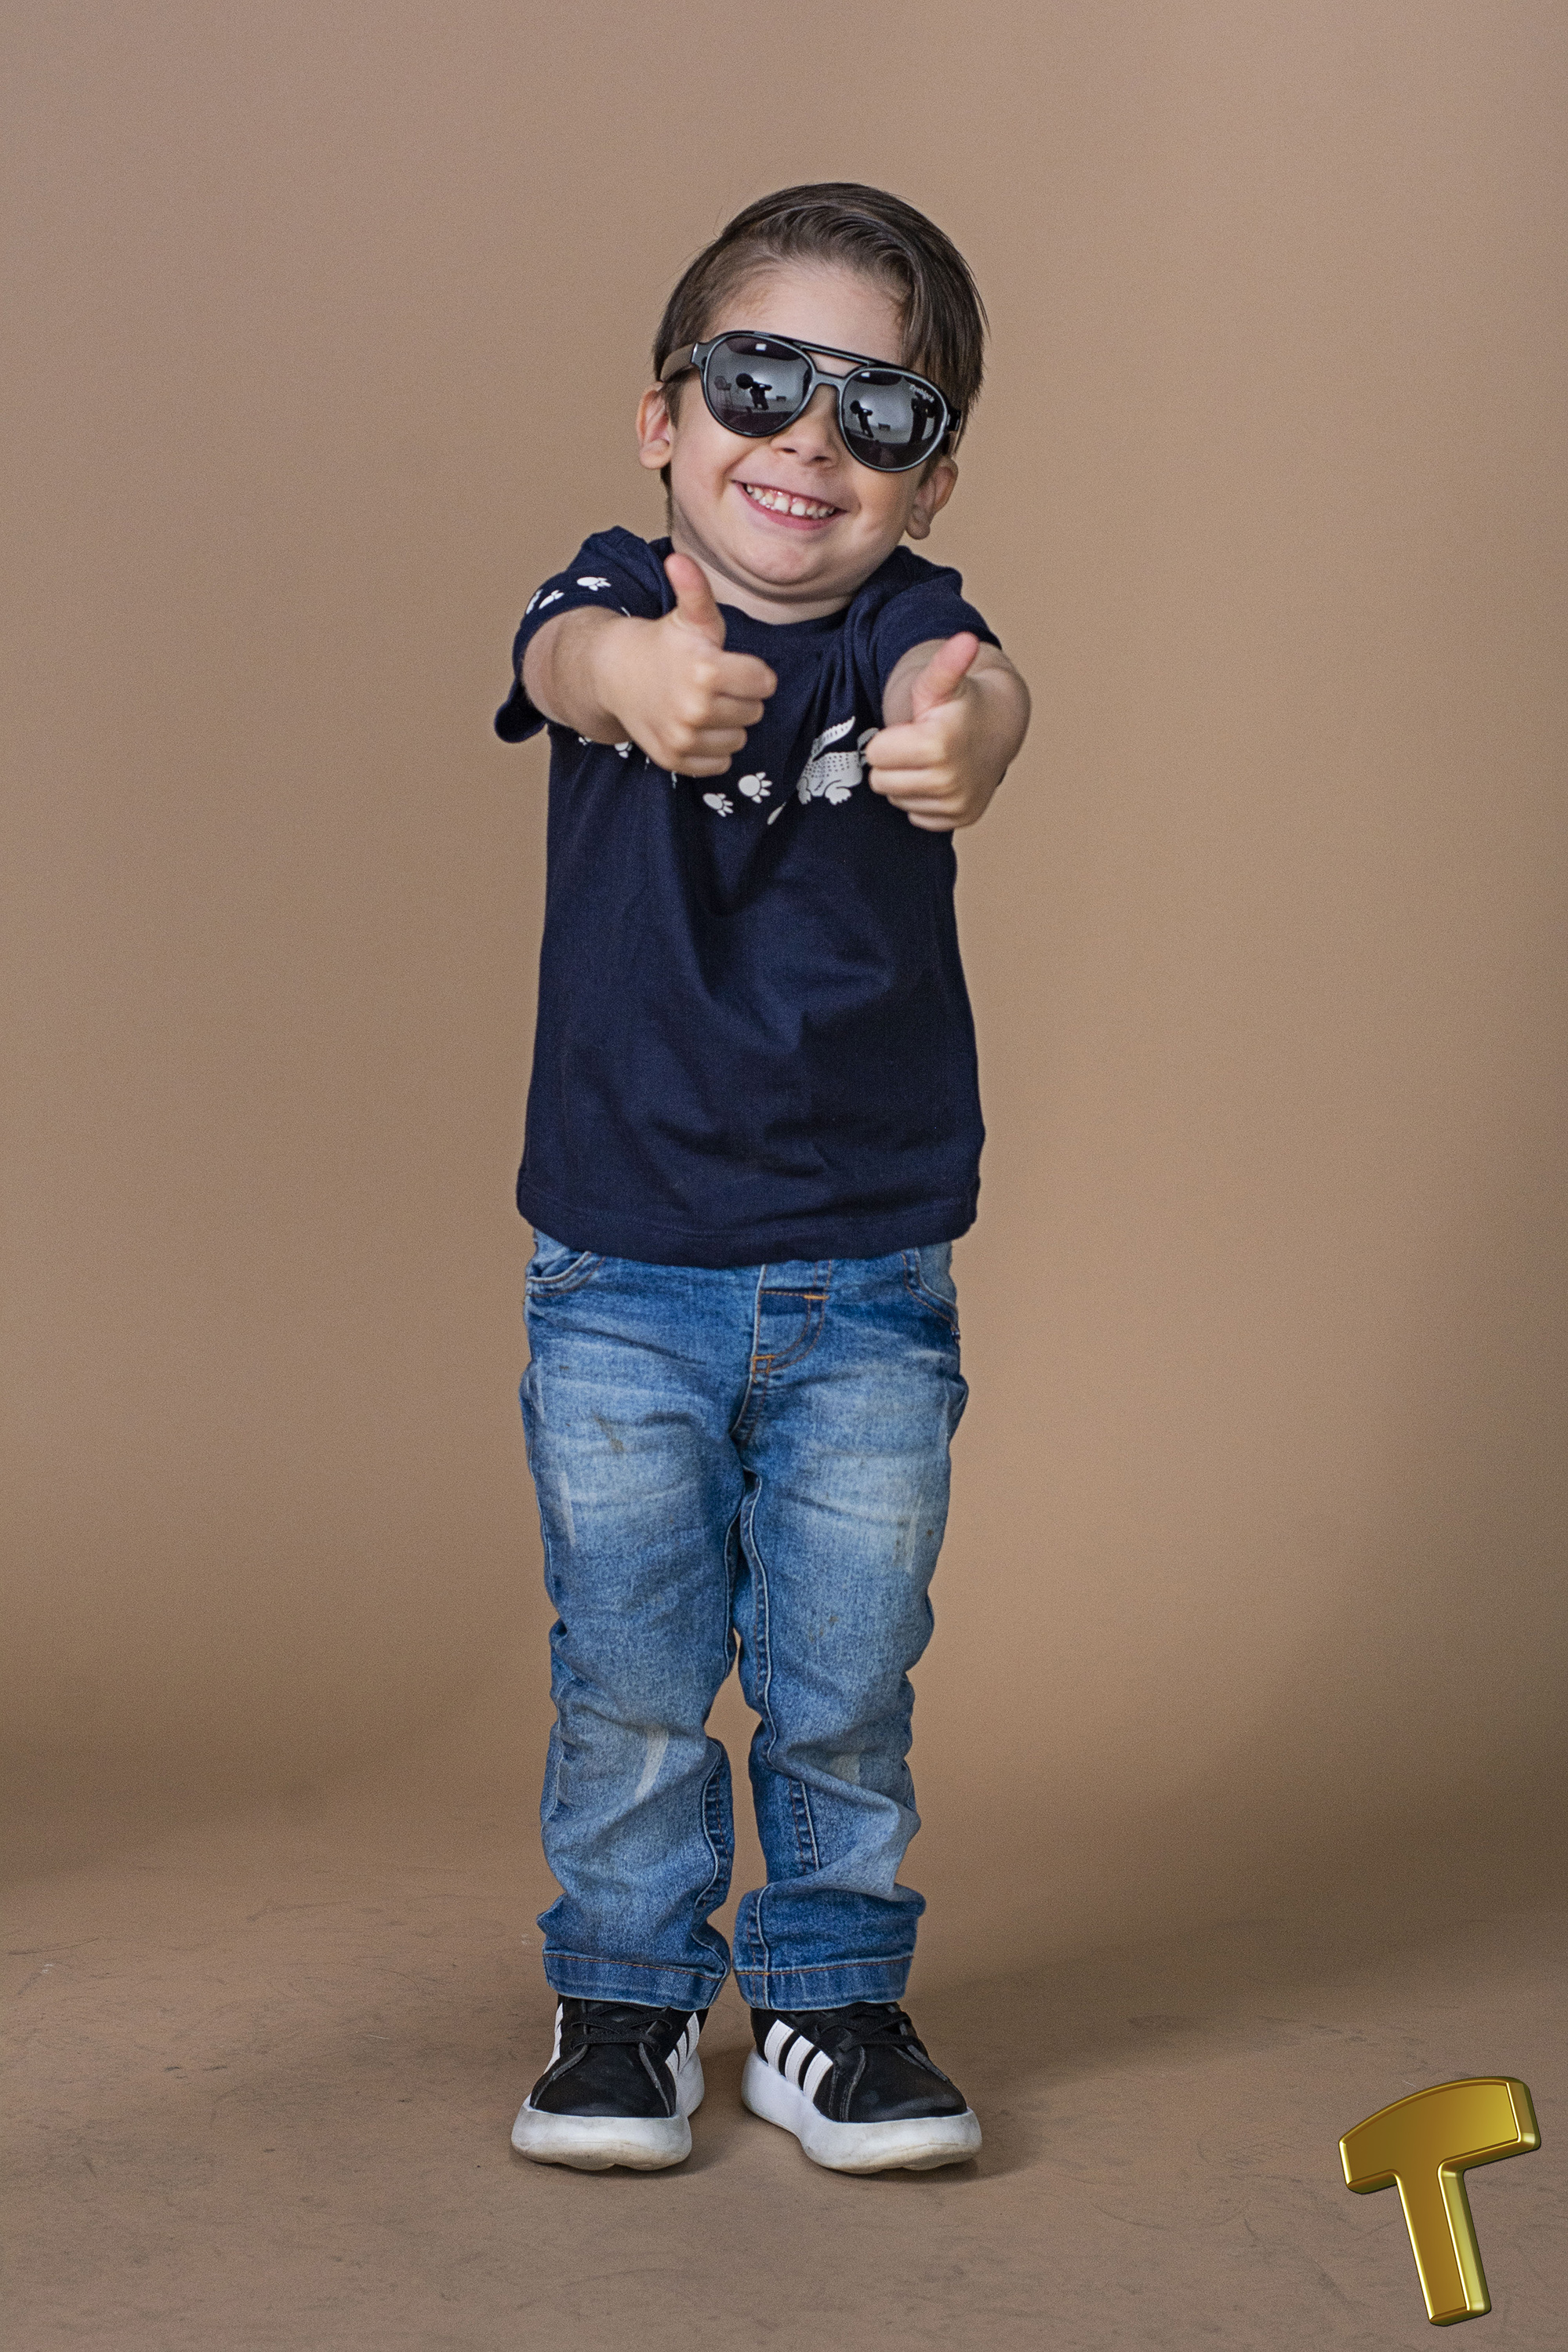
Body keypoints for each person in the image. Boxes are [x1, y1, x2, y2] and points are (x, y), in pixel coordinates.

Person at [493, 183, 1031, 2175]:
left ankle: (829, 2006)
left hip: (868, 1275)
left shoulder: (906, 627)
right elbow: (560, 660)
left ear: (928, 474)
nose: (809, 438)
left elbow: (980, 683)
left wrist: (972, 734)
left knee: (843, 1673)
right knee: (632, 1674)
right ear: (663, 417)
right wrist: (636, 683)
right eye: (757, 381)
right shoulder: (615, 595)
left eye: (876, 410)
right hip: (622, 1270)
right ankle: (625, 2003)